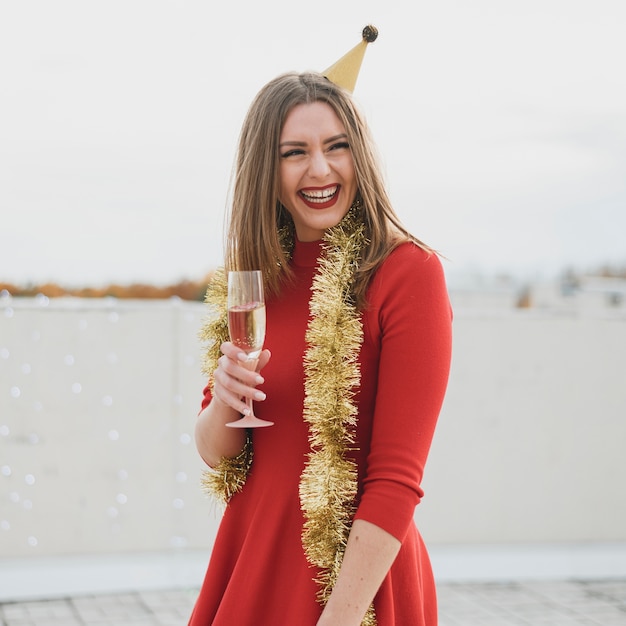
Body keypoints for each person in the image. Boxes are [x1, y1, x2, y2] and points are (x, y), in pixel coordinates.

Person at [189, 27, 452, 626]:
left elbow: (396, 483)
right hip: (252, 558)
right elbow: (214, 451)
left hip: (357, 587)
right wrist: (225, 400)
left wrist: (338, 618)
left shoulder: (407, 273)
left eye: (336, 146)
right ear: (265, 166)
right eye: (294, 152)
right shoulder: (253, 278)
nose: (320, 169)